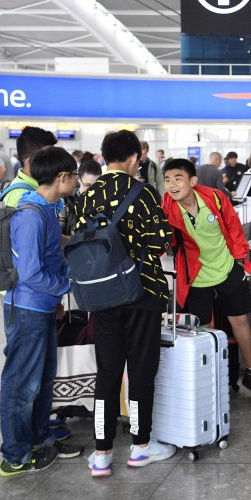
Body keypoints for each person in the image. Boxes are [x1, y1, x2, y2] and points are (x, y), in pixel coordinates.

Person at [80, 130, 174, 478]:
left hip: (101, 297)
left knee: (106, 373)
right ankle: (140, 446)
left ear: (104, 158)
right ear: (135, 158)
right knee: (140, 372)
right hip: (142, 294)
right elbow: (161, 241)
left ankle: (102, 453)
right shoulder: (144, 193)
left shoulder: (87, 197)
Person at [0, 147, 83, 477]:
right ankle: (15, 455)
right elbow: (31, 273)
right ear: (61, 178)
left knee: (42, 379)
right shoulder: (31, 214)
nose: (76, 181)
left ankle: (39, 439)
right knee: (21, 384)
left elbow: (48, 257)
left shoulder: (48, 208)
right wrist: (68, 285)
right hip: (27, 308)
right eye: (73, 176)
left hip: (44, 307)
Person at [161, 158, 251, 404]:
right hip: (195, 275)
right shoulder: (166, 207)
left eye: (178, 178)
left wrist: (240, 263)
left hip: (226, 267)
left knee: (240, 322)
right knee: (205, 330)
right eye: (167, 180)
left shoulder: (214, 198)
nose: (172, 185)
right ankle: (214, 379)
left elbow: (234, 230)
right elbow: (163, 242)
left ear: (192, 181)